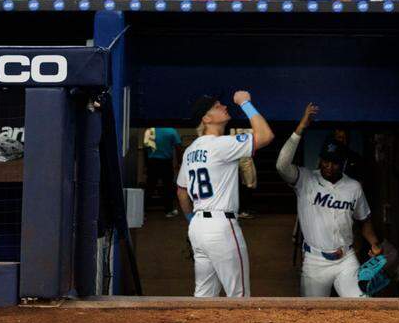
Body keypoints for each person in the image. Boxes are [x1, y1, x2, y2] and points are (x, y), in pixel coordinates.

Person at [275, 103, 382, 297]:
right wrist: (300, 128)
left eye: (334, 162)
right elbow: (282, 165)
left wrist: (374, 244)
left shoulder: (353, 187)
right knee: (314, 315)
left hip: (346, 259)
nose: (329, 166)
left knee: (361, 305)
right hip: (315, 261)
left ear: (342, 164)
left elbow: (364, 219)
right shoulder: (305, 179)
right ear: (320, 159)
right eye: (325, 160)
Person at [176, 91, 276, 297]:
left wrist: (191, 220)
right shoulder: (220, 144)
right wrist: (245, 103)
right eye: (217, 106)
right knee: (239, 296)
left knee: (204, 296)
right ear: (206, 118)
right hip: (221, 225)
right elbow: (266, 136)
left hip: (198, 226)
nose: (224, 106)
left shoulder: (190, 150)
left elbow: (181, 192)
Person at [144, 126, 182, 217]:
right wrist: (180, 162)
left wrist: (146, 164)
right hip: (166, 163)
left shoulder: (149, 131)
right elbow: (178, 147)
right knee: (168, 187)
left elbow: (146, 149)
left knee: (150, 186)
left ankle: (142, 211)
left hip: (152, 162)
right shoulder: (171, 131)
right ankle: (169, 211)